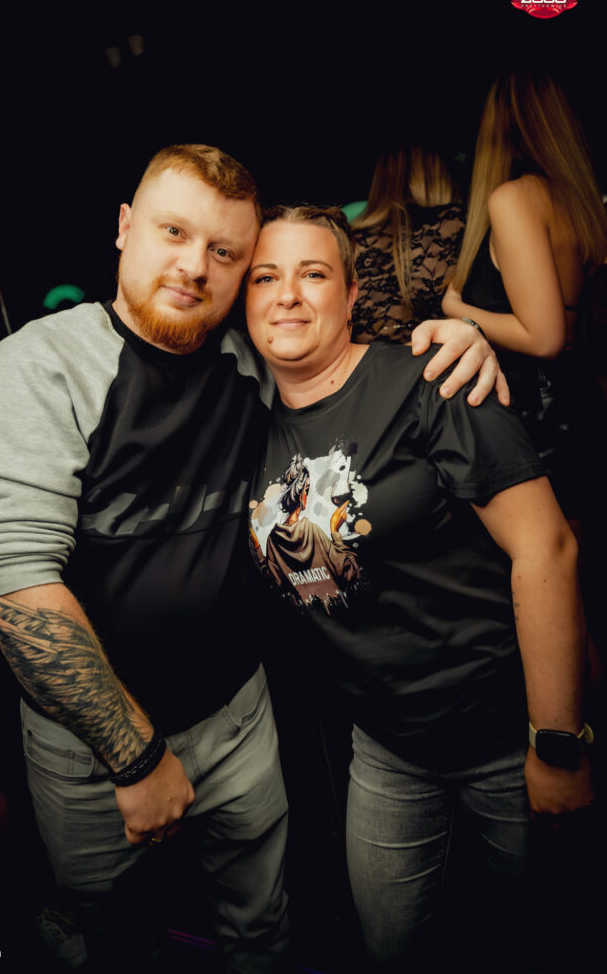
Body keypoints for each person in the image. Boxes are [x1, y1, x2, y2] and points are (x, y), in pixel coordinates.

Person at [0, 144, 503, 972]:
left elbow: (335, 358)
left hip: (238, 719)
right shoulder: (42, 366)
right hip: (92, 750)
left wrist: (455, 344)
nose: (194, 266)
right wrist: (136, 758)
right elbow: (16, 596)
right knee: (114, 940)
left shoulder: (246, 361)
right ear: (125, 228)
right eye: (173, 232)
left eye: (225, 251)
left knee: (263, 927)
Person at [244, 205, 594, 970]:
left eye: (312, 274)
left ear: (349, 293)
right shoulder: (242, 426)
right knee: (391, 946)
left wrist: (557, 744)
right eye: (265, 277)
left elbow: (548, 547)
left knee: (550, 938)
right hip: (386, 748)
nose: (287, 295)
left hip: (506, 735)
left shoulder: (432, 380)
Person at [442, 71, 607, 521]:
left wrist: (457, 309)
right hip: (578, 405)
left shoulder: (513, 199)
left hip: (538, 418)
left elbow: (545, 337)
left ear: (496, 128)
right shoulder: (576, 200)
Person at [352, 145, 464, 343]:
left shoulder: (350, 237)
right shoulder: (453, 223)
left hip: (363, 360)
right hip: (432, 358)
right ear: (438, 169)